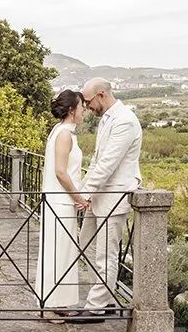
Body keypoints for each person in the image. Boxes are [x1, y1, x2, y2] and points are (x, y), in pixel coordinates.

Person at [79, 78, 144, 319]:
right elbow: (96, 161)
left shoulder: (125, 120)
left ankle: (96, 307)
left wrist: (84, 194)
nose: (86, 107)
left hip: (114, 196)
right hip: (98, 196)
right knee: (86, 244)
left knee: (106, 255)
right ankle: (105, 296)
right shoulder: (107, 119)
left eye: (88, 101)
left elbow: (108, 164)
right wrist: (83, 192)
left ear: (102, 95)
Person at [36, 89, 90, 322]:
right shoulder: (64, 134)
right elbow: (60, 172)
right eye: (81, 106)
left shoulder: (62, 131)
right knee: (56, 253)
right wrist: (79, 198)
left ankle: (59, 302)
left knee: (64, 253)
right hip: (60, 202)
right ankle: (48, 305)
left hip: (62, 201)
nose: (84, 109)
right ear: (71, 110)